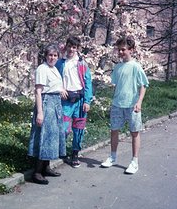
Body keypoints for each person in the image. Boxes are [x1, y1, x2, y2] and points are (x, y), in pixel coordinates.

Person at [101, 35, 149, 174]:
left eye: (123, 50)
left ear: (131, 50)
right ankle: (113, 157)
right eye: (119, 50)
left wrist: (139, 102)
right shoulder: (118, 67)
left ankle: (134, 161)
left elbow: (143, 85)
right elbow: (116, 85)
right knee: (114, 130)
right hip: (117, 104)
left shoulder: (136, 66)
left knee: (134, 132)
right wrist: (113, 98)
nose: (120, 52)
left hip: (132, 105)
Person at [28, 43, 66, 185]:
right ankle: (37, 172)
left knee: (52, 136)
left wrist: (61, 89)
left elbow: (55, 85)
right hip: (46, 104)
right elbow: (38, 91)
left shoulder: (54, 69)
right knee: (44, 136)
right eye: (50, 55)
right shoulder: (42, 69)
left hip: (55, 104)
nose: (53, 57)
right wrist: (40, 113)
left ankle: (46, 167)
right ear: (45, 56)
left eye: (55, 55)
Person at [56, 36, 93, 168]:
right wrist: (60, 88)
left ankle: (75, 153)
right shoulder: (60, 63)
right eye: (69, 46)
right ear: (65, 46)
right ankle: (62, 150)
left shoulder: (82, 64)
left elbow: (88, 83)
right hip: (66, 101)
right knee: (64, 128)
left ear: (77, 49)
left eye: (74, 47)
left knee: (79, 129)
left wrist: (87, 101)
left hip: (80, 100)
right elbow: (54, 79)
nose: (71, 49)